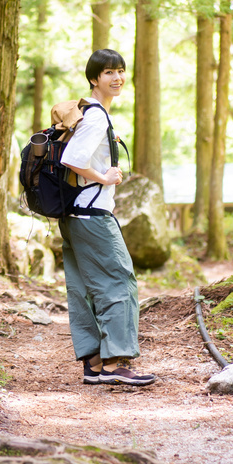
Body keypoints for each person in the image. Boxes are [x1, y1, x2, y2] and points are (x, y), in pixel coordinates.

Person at [59, 49, 156, 387]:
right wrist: (104, 177)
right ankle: (116, 363)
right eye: (108, 73)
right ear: (93, 78)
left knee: (84, 287)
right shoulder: (96, 116)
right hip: (92, 215)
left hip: (74, 215)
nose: (117, 78)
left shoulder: (88, 114)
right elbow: (72, 158)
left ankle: (95, 363)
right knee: (119, 281)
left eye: (120, 71)